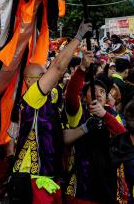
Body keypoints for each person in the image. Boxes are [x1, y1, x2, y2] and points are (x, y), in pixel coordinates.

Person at [9, 22, 91, 203]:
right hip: (32, 179)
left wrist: (85, 128)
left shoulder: (51, 102)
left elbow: (61, 136)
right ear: (30, 82)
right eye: (43, 76)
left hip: (52, 176)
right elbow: (59, 68)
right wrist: (78, 36)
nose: (49, 78)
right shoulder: (32, 97)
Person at [63, 51, 125, 204]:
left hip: (107, 183)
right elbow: (70, 96)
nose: (98, 95)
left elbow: (123, 136)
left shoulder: (112, 114)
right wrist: (82, 70)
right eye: (93, 91)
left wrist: (105, 115)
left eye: (102, 92)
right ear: (84, 97)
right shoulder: (79, 113)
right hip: (82, 183)